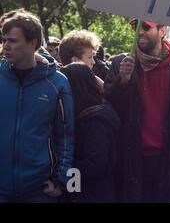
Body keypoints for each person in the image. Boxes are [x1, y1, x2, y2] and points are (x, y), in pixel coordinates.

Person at [104, 19, 170, 202]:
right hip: (132, 163)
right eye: (135, 27)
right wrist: (122, 83)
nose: (139, 32)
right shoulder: (122, 63)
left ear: (163, 30)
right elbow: (112, 112)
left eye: (146, 27)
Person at [0, 11, 74, 203]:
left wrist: (61, 181)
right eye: (4, 40)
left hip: (39, 190)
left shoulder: (57, 83)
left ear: (32, 43)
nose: (6, 46)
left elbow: (66, 136)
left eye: (13, 41)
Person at [61, 62, 120, 202]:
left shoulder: (95, 120)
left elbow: (95, 165)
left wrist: (64, 171)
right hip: (87, 189)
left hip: (92, 192)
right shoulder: (93, 111)